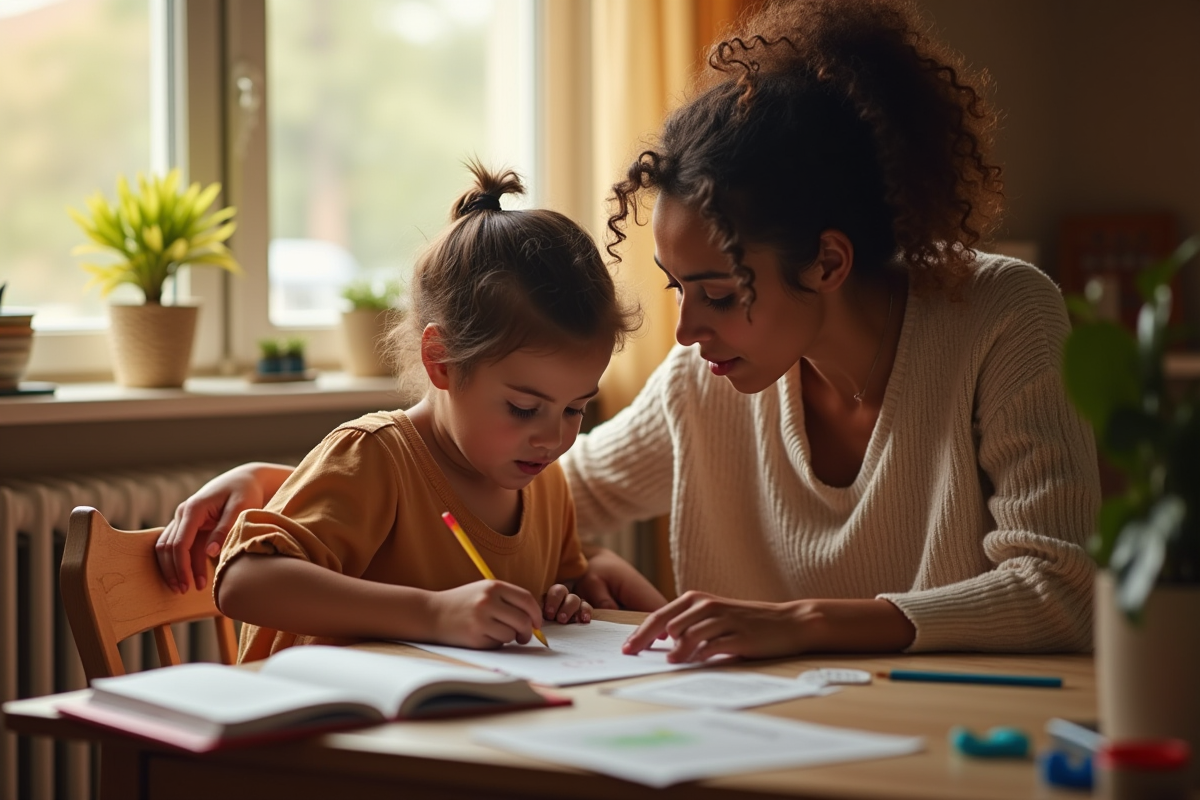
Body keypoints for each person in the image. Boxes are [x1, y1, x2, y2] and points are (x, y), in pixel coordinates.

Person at [158, 0, 1100, 663]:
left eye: (719, 292)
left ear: (829, 261)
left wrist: (806, 621)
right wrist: (279, 486)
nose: (687, 330)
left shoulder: (1003, 321)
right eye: (674, 288)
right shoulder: (708, 381)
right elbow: (520, 474)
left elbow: (1060, 590)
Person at [197, 163, 661, 663]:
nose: (553, 437)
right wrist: (434, 614)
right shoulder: (375, 458)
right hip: (320, 728)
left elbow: (561, 583)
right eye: (524, 408)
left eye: (575, 409)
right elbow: (245, 582)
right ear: (440, 361)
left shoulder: (543, 484)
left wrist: (562, 600)